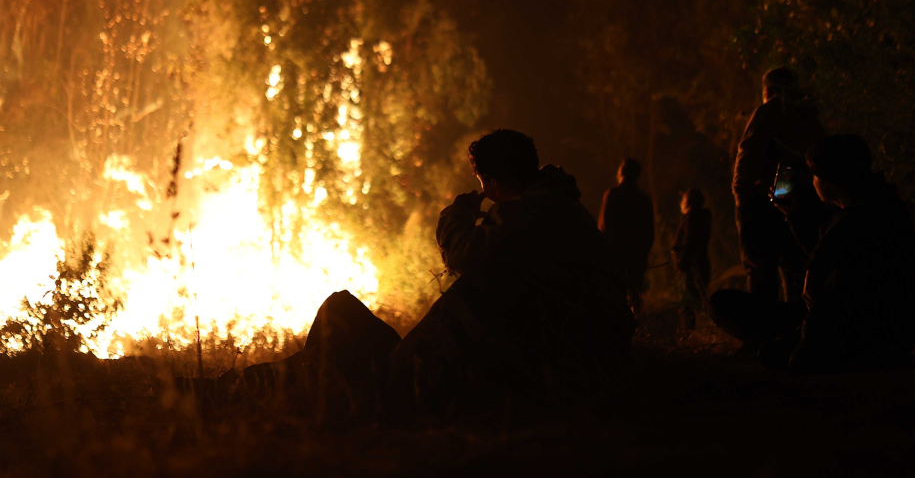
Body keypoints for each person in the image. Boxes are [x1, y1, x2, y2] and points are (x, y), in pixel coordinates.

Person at [244, 129, 635, 415]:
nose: (483, 193)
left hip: (532, 369)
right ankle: (270, 385)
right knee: (340, 318)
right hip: (565, 360)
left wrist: (457, 215)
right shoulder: (563, 209)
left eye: (483, 184)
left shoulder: (528, 217)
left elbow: (463, 255)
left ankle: (262, 391)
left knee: (339, 317)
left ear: (494, 183)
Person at [709, 135, 915, 373]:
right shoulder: (848, 208)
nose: (811, 181)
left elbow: (834, 277)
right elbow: (821, 251)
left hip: (872, 322)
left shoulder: (870, 213)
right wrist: (792, 213)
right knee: (722, 303)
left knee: (785, 357)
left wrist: (812, 318)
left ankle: (803, 345)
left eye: (814, 175)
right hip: (834, 312)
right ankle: (787, 340)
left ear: (830, 180)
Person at [733, 67, 826, 302]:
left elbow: (748, 153)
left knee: (761, 269)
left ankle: (766, 331)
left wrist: (741, 196)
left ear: (768, 90)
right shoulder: (809, 118)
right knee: (796, 269)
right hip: (801, 204)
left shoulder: (768, 111)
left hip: (765, 200)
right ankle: (796, 329)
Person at [599, 158, 655, 315]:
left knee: (615, 292)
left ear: (620, 173)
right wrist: (644, 252)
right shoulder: (644, 199)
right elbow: (649, 231)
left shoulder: (612, 195)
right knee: (634, 291)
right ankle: (637, 323)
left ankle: (617, 325)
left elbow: (604, 227)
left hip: (615, 253)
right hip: (637, 253)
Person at [671, 188, 712, 330]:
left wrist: (681, 261)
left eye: (683, 200)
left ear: (687, 201)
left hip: (690, 266)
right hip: (700, 263)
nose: (680, 203)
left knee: (687, 303)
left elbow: (689, 241)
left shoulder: (692, 217)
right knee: (695, 300)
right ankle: (703, 329)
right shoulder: (703, 216)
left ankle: (689, 333)